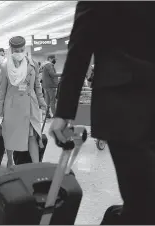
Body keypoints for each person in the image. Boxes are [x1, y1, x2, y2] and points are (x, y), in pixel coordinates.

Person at [49, 2, 155, 225]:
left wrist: (64, 113)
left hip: (124, 102)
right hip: (127, 107)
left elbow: (80, 50)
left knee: (141, 202)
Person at [0, 36, 47, 167]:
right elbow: (2, 91)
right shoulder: (5, 68)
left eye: (21, 49)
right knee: (10, 136)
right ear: (11, 50)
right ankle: (10, 161)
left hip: (30, 106)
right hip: (12, 108)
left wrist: (42, 102)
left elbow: (37, 86)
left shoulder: (32, 64)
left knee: (32, 136)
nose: (19, 53)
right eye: (16, 50)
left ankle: (36, 166)